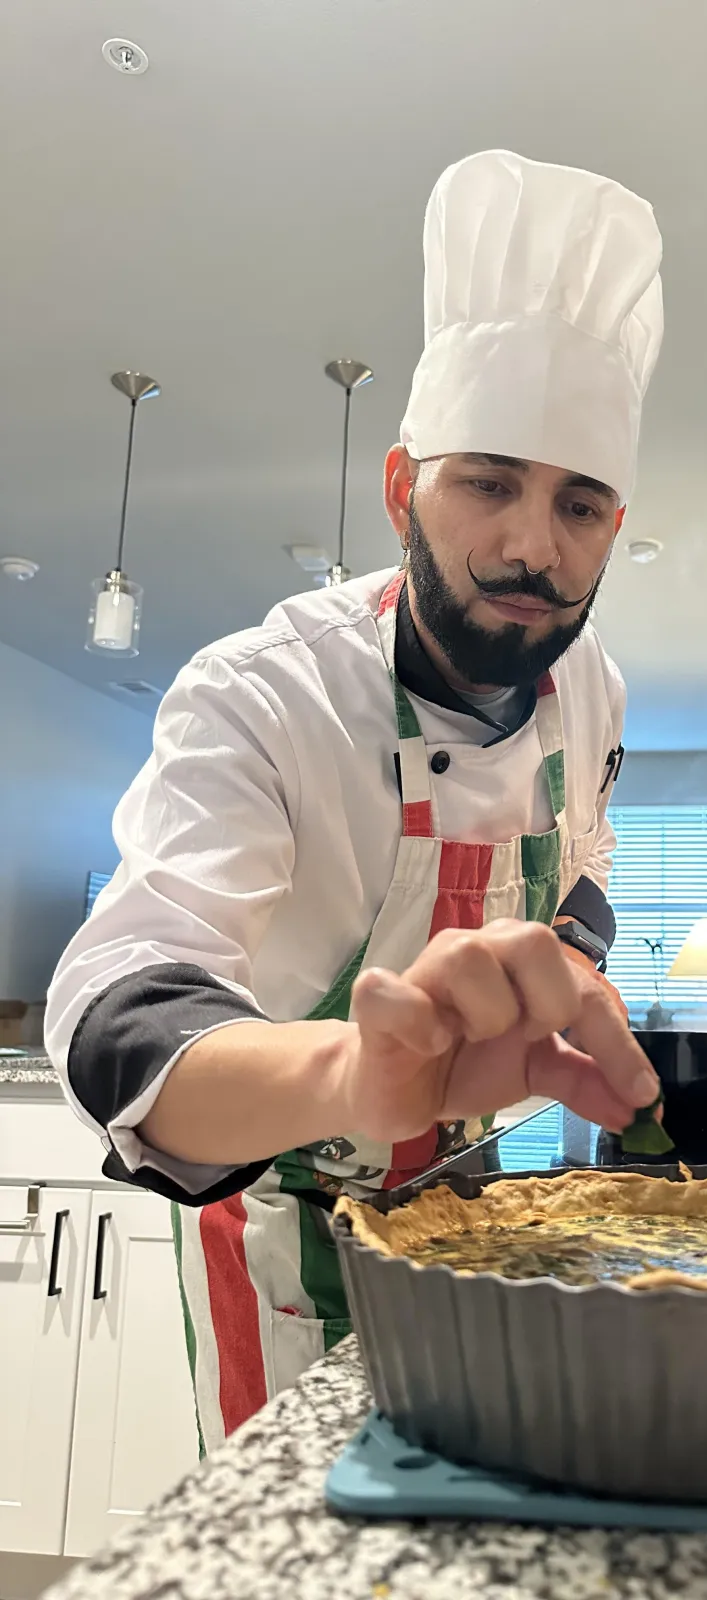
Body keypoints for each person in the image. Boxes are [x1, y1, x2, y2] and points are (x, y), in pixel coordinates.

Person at [45, 149, 665, 1452]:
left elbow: (586, 873)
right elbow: (116, 1013)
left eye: (578, 505)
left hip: (475, 1203)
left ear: (615, 530)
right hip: (286, 1229)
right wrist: (354, 1070)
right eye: (486, 482)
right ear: (400, 491)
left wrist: (562, 964)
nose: (530, 546)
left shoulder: (591, 687)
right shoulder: (263, 694)